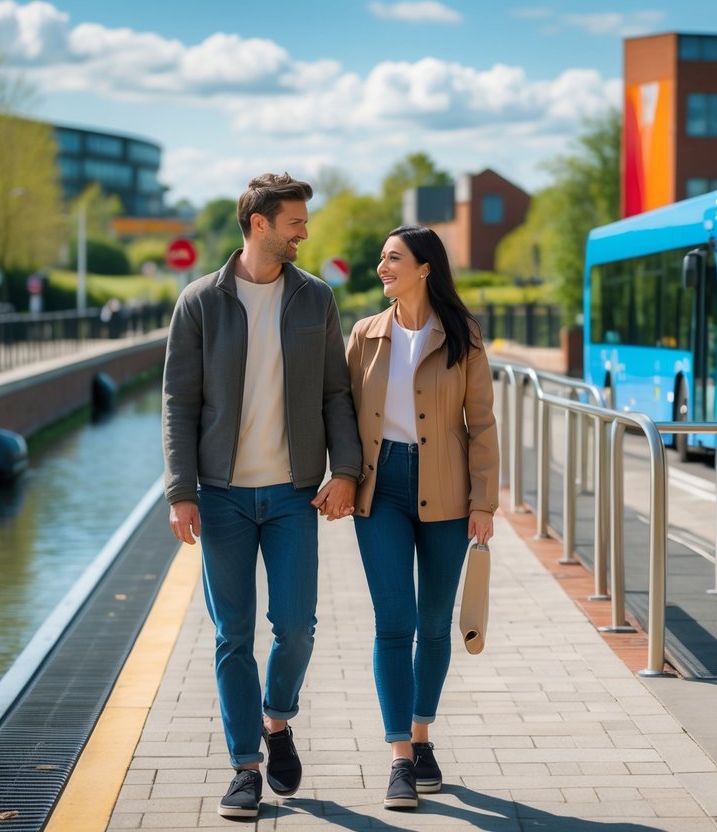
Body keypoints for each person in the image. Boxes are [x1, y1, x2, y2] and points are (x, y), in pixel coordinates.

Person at [161, 172, 362, 819]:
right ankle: (244, 768)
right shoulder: (199, 302)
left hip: (292, 494)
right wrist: (180, 490)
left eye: (304, 221)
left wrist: (347, 471)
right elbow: (178, 403)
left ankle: (278, 720)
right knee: (232, 636)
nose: (305, 232)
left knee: (297, 627)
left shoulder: (315, 300)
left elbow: (336, 392)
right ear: (259, 224)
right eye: (296, 222)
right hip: (219, 497)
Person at [345, 225, 499, 809]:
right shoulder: (364, 335)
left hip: (449, 491)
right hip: (379, 490)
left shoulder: (464, 337)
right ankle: (400, 759)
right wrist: (339, 478)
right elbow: (340, 410)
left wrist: (484, 502)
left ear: (425, 267)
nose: (381, 267)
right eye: (381, 258)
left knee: (435, 624)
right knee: (395, 621)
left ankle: (422, 733)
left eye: (392, 259)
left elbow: (481, 424)